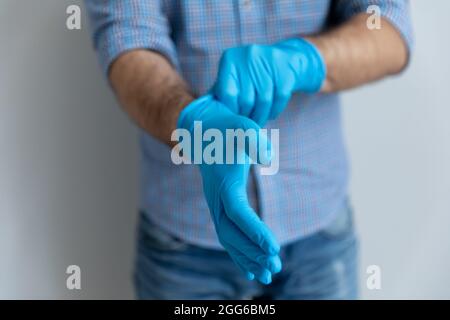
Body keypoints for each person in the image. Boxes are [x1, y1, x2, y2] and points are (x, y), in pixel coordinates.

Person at [85, 0, 412, 299]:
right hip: (184, 245)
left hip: (319, 233)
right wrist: (194, 125)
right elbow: (126, 36)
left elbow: (390, 25)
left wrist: (304, 61)